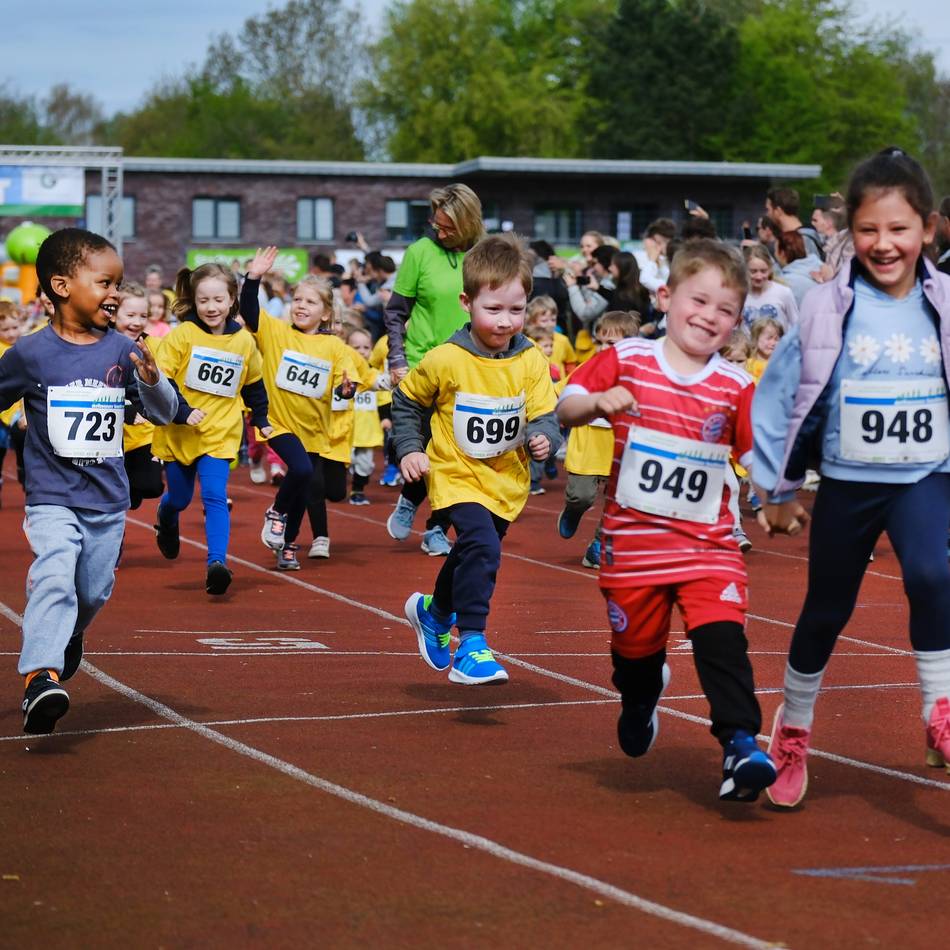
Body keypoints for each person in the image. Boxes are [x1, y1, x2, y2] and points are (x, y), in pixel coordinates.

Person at [753, 146, 950, 807]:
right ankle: (793, 728)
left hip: (926, 474)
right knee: (827, 608)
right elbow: (782, 394)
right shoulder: (823, 306)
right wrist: (777, 490)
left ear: (927, 227)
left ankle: (940, 713)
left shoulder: (946, 301)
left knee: (932, 574)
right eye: (869, 229)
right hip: (849, 478)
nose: (884, 244)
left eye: (898, 229)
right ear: (848, 233)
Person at [557, 238, 777, 802]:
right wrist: (597, 403)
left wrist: (780, 498)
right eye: (698, 300)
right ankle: (640, 695)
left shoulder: (735, 387)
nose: (709, 316)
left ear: (736, 323)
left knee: (722, 642)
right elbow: (567, 404)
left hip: (708, 547)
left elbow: (756, 457)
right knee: (635, 658)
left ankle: (741, 743)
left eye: (725, 310)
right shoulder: (628, 358)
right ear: (666, 295)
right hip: (632, 554)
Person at [0, 228, 176, 734]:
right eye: (105, 283)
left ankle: (69, 634)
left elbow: (162, 413)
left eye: (118, 284)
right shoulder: (29, 354)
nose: (116, 294)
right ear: (61, 285)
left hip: (107, 498)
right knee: (54, 574)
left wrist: (151, 379)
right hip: (51, 496)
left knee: (92, 591)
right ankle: (40, 677)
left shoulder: (124, 349)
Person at [396, 234, 560, 684]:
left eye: (516, 309)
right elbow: (407, 402)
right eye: (494, 309)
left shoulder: (529, 359)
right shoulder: (445, 358)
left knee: (472, 551)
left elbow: (546, 413)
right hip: (454, 474)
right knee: (483, 548)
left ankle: (433, 613)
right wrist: (410, 449)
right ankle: (471, 643)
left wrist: (544, 437)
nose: (506, 321)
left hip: (506, 479)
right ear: (467, 302)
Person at [240, 249, 378, 568]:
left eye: (311, 302)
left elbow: (349, 379)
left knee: (304, 487)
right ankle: (275, 513)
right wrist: (253, 277)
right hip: (277, 423)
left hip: (314, 431)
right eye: (298, 300)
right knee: (301, 471)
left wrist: (347, 387)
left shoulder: (333, 347)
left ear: (326, 313)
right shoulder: (276, 331)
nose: (302, 306)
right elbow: (249, 311)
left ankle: (288, 544)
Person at [151, 262, 270, 594]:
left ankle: (217, 563)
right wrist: (183, 412)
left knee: (215, 495)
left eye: (218, 299)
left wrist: (262, 420)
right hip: (180, 432)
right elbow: (163, 380)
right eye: (204, 300)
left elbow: (254, 384)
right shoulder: (181, 336)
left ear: (232, 299)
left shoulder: (244, 341)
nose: (211, 307)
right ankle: (166, 513)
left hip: (220, 432)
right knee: (180, 497)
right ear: (194, 300)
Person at [384, 183, 486, 556]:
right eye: (436, 224)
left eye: (448, 228)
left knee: (459, 452)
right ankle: (415, 498)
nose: (439, 233)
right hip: (423, 362)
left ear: (469, 223)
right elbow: (396, 313)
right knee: (430, 446)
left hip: (472, 365)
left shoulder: (484, 255)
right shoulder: (419, 253)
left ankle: (434, 526)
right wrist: (397, 358)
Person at [556, 310, 640, 567]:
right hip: (589, 446)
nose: (604, 348)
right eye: (600, 341)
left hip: (622, 449)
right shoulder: (587, 369)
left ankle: (598, 544)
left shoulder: (638, 375)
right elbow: (560, 396)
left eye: (611, 343)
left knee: (622, 502)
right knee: (582, 496)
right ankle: (573, 509)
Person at [346, 327, 391, 505]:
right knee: (342, 462)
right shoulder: (343, 373)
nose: (361, 352)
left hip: (367, 431)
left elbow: (382, 398)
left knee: (365, 464)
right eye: (356, 347)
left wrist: (385, 418)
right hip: (345, 431)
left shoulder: (375, 376)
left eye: (366, 347)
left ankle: (358, 490)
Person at [741, 244, 799, 332]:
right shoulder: (739, 294)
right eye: (753, 271)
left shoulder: (783, 292)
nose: (759, 276)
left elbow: (796, 325)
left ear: (770, 269)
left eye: (763, 271)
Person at [765, 188, 824, 260]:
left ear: (778, 211)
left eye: (768, 210)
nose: (767, 214)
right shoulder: (798, 237)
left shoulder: (804, 240)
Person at [774, 230, 821, 307]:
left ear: (782, 254)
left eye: (775, 250)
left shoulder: (784, 283)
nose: (775, 254)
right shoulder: (823, 268)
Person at [745, 317, 784, 383]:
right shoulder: (746, 363)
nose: (773, 343)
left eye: (776, 339)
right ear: (756, 338)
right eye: (769, 338)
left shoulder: (781, 365)